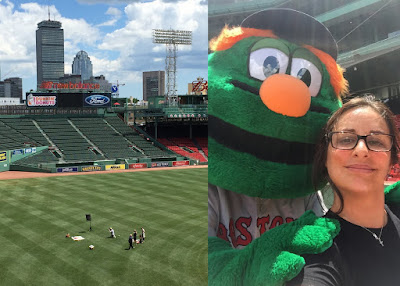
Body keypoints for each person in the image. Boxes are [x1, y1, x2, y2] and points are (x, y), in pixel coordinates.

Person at [287, 96, 400, 286]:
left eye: (377, 141)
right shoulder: (318, 252)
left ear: (392, 160)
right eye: (346, 139)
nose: (362, 150)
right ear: (325, 157)